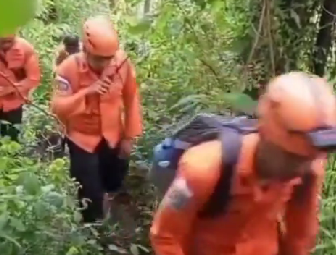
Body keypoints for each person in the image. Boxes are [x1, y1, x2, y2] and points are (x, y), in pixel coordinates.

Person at [150, 72, 336, 255]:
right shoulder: (202, 168)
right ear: (265, 134)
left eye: (307, 159)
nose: (299, 168)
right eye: (290, 157)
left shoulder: (309, 170)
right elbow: (166, 237)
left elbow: (300, 237)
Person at [50, 15, 143, 223]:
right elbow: (57, 107)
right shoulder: (68, 68)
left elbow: (132, 99)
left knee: (113, 180)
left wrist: (129, 136)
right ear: (85, 51)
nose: (106, 63)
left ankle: (107, 201)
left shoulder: (122, 63)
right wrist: (86, 93)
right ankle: (94, 227)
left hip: (112, 135)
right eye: (99, 59)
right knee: (88, 189)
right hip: (81, 138)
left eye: (109, 58)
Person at [0, 34, 41, 141]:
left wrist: (8, 90)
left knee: (11, 139)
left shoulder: (25, 49)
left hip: (13, 104)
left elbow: (33, 78)